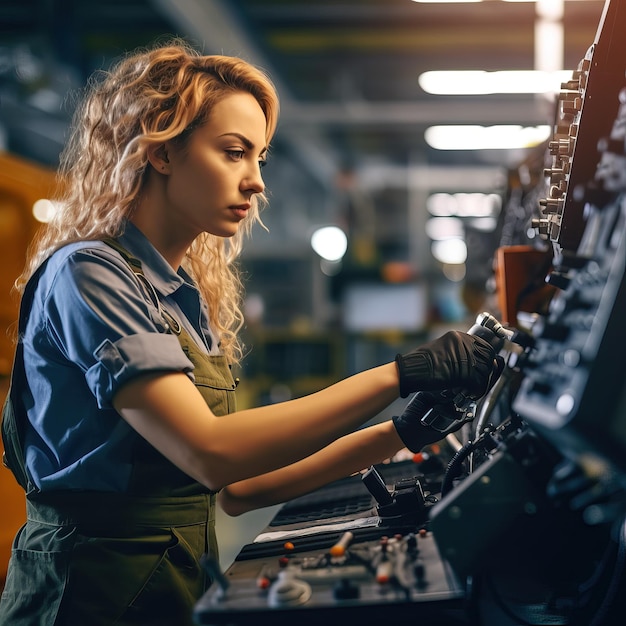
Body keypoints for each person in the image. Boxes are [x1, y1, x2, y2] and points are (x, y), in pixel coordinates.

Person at [0, 40, 502, 626]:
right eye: (235, 153)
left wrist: (403, 431)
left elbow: (242, 486)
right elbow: (211, 453)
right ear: (161, 151)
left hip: (168, 578)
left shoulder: (180, 294)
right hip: (86, 594)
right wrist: (400, 374)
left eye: (259, 157)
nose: (257, 181)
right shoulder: (90, 274)